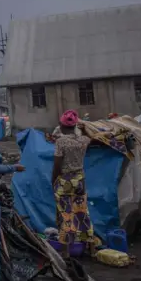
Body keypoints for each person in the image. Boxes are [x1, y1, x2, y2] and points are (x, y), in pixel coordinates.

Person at [52, 109, 95, 257]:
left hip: (65, 180)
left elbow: (57, 165)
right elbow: (91, 137)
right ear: (75, 125)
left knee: (66, 214)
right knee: (82, 212)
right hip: (80, 179)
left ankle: (65, 252)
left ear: (62, 126)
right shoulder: (83, 140)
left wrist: (53, 181)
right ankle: (91, 249)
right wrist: (84, 129)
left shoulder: (61, 142)